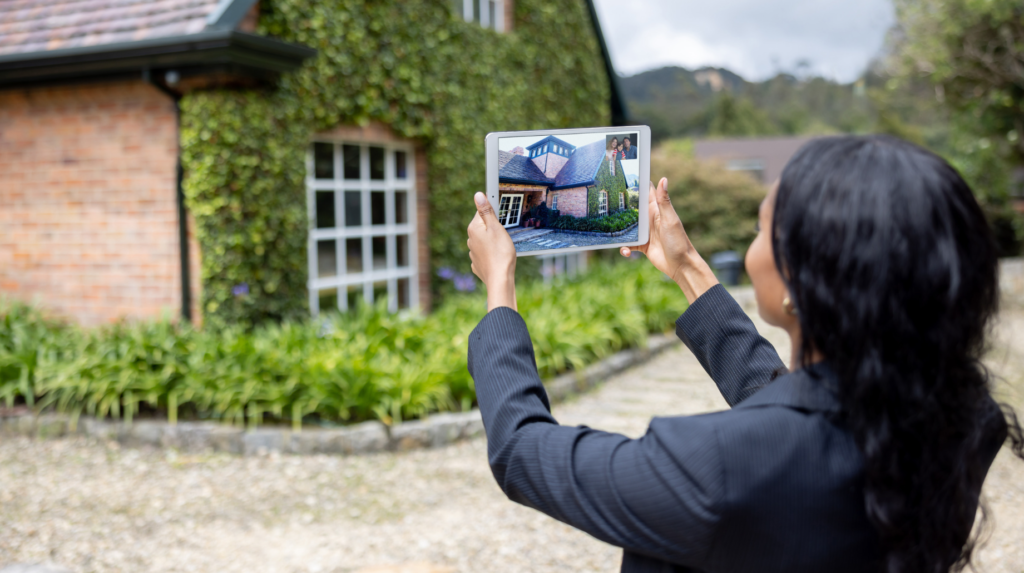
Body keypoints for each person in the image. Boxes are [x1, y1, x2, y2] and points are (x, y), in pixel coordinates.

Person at [465, 135, 1023, 573]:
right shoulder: (967, 419)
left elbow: (521, 450)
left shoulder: (713, 466)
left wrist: (500, 289)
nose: (752, 246)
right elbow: (796, 418)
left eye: (760, 230)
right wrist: (686, 268)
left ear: (800, 282)